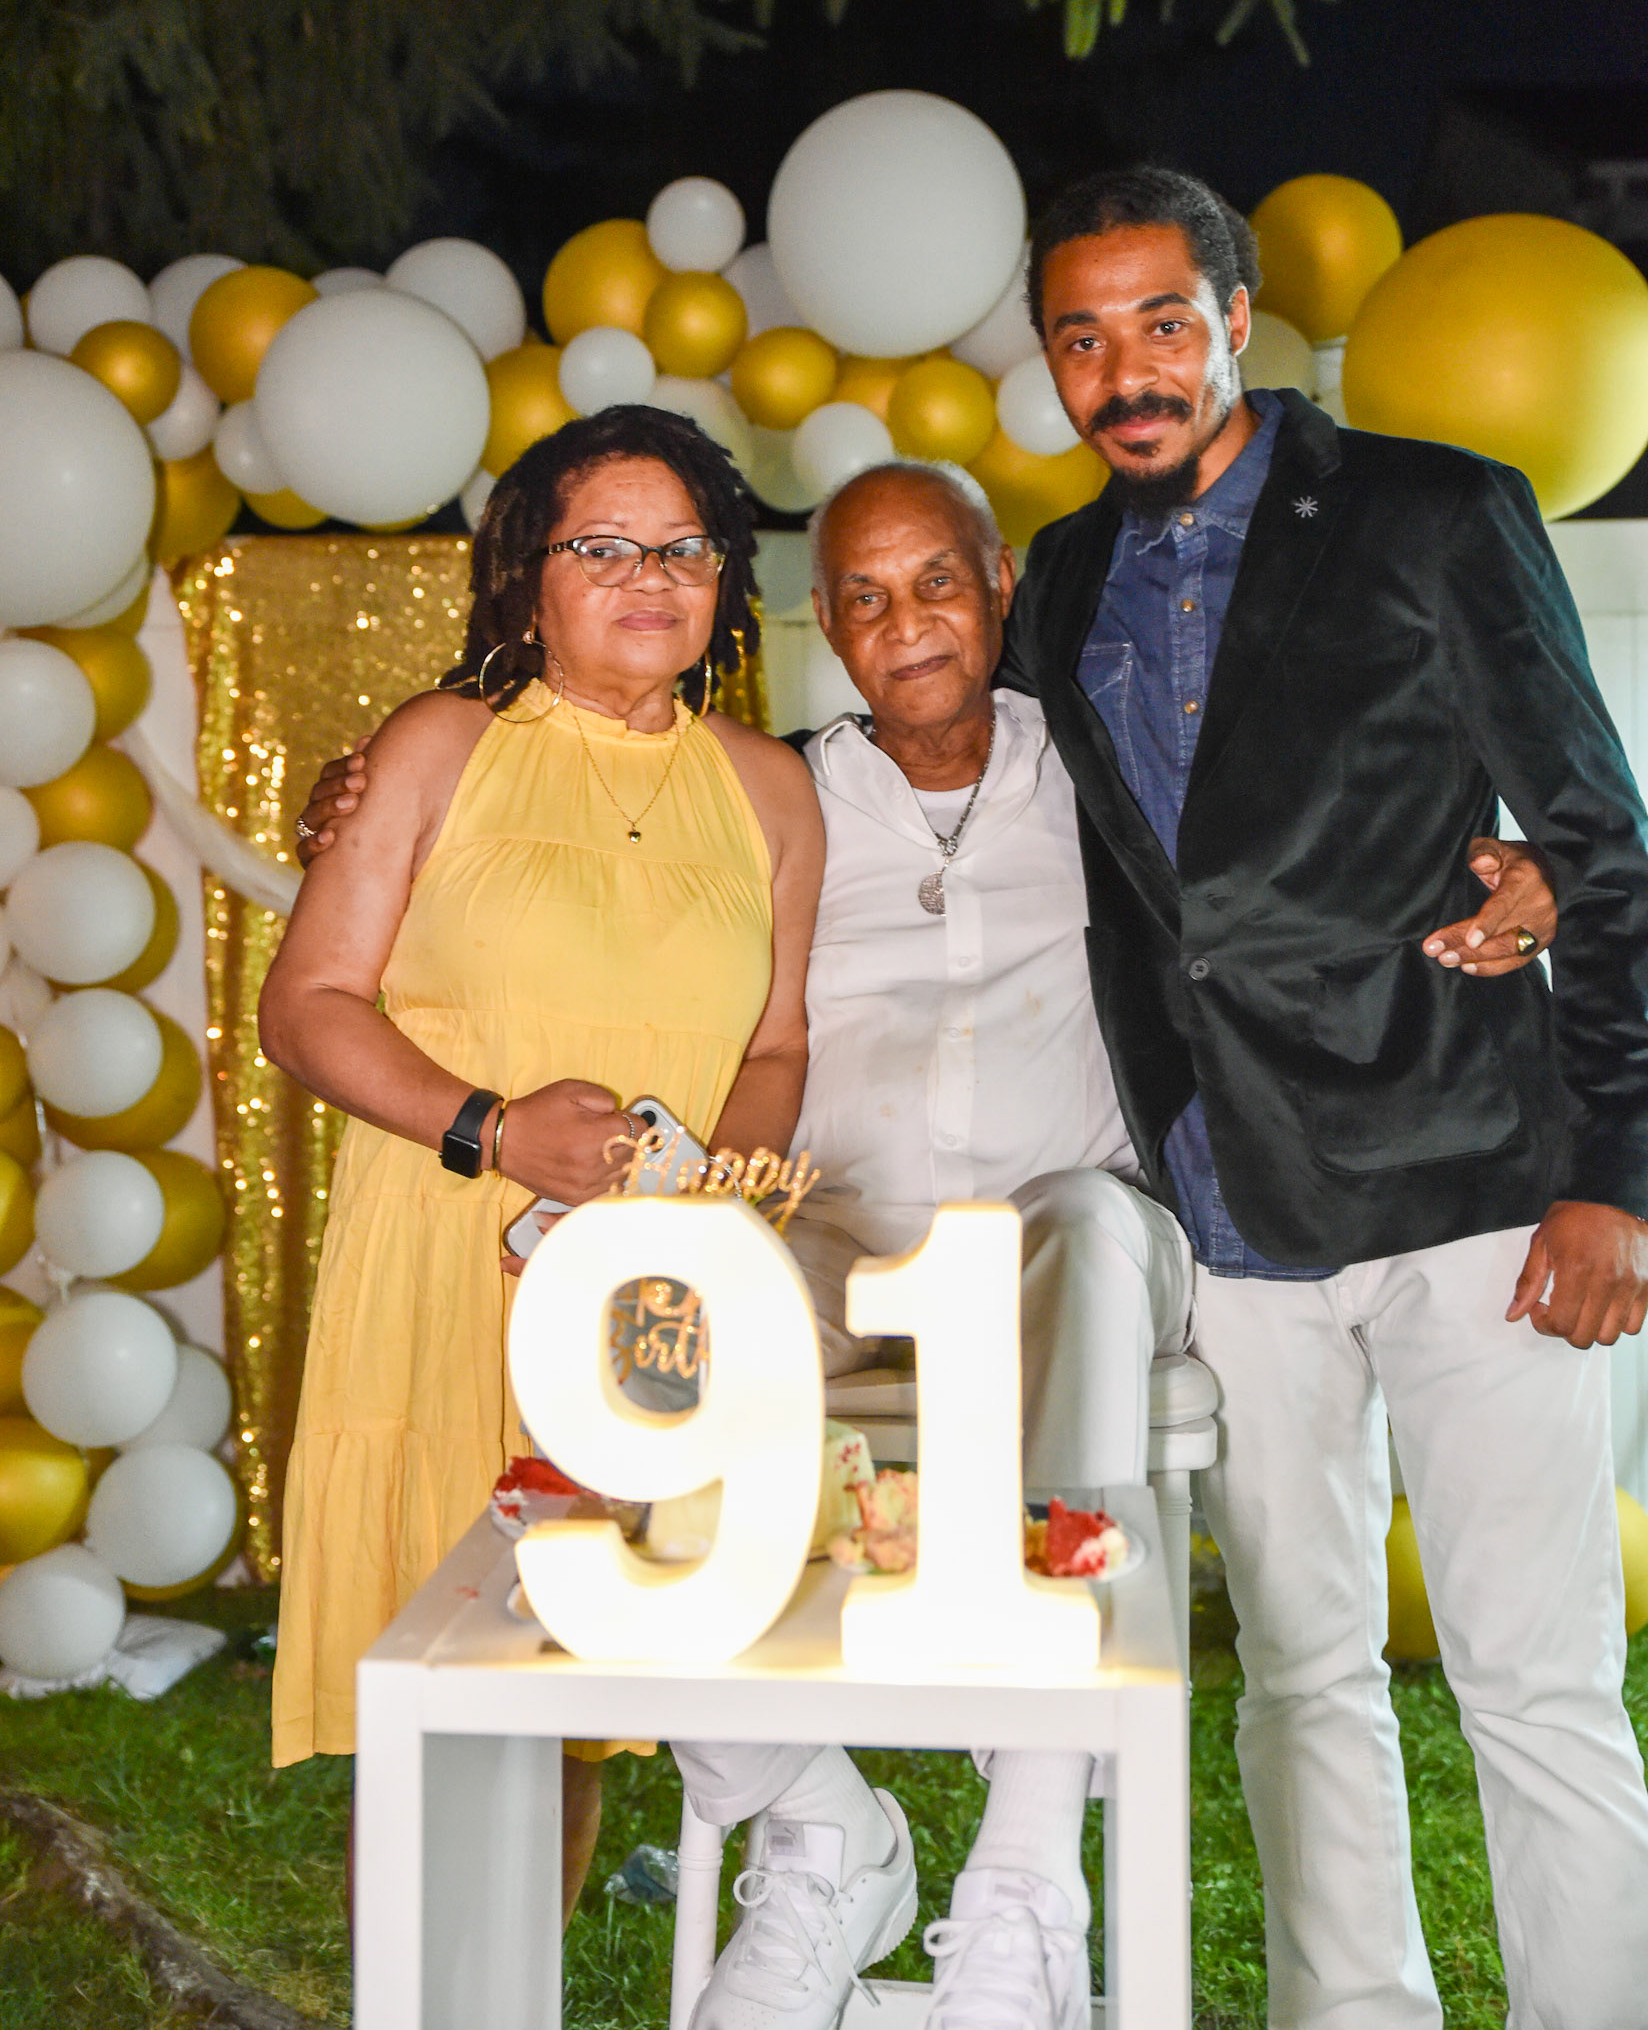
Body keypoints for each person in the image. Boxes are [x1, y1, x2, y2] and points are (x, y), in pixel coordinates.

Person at [295, 454, 1555, 2028]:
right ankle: (815, 1826)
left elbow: (1315, 827)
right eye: (867, 598)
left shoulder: (1108, 776)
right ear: (824, 623)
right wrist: (355, 792)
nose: (908, 626)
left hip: (1064, 1240)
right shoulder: (774, 791)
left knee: (1083, 1235)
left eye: (939, 582)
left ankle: (1024, 1884)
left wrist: (1534, 858)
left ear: (1000, 587)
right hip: (830, 1235)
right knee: (664, 1313)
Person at [998, 165, 1648, 2029]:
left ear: (1235, 319)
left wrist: (1617, 1174)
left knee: (1536, 1681)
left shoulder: (1433, 511)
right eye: (1081, 338)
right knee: (1297, 1676)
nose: (1125, 372)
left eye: (1161, 323)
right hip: (1232, 1201)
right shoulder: (1062, 575)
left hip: (1475, 1186)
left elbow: (1599, 844)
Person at [259, 403, 824, 1924]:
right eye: (604, 547)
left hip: (645, 1289)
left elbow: (777, 1044)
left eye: (685, 549)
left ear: (725, 580)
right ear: (528, 578)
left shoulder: (771, 790)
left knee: (577, 1683)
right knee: (436, 1690)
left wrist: (709, 1214)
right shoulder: (437, 747)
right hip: (447, 1256)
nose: (652, 577)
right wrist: (496, 1129)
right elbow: (304, 1008)